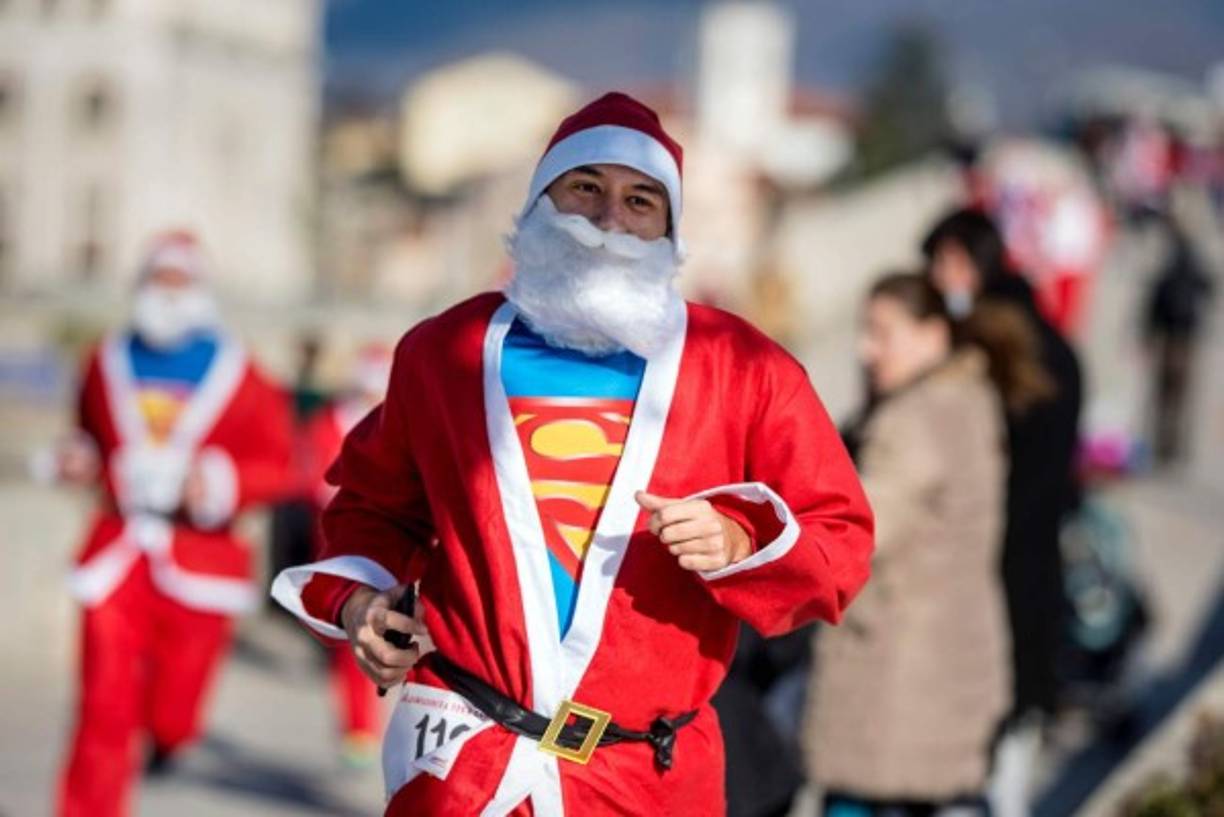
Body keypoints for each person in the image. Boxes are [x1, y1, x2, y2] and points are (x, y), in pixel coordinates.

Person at [272, 91, 875, 816]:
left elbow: (840, 541)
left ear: (669, 231)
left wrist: (740, 536)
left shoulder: (745, 367)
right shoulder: (445, 353)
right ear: (537, 205)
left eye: (640, 199)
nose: (608, 219)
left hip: (645, 781)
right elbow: (372, 505)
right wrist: (362, 600)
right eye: (585, 187)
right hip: (467, 764)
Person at [54, 231, 293, 817]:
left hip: (202, 556)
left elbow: (282, 465)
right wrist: (78, 457)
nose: (167, 292)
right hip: (118, 552)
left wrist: (216, 482)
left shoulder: (244, 374)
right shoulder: (103, 361)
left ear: (200, 289)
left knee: (176, 705)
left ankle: (169, 738)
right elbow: (88, 434)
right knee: (102, 703)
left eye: (179, 281)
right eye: (158, 279)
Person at [803, 272, 1014, 817]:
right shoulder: (972, 397)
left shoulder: (909, 422)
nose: (865, 350)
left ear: (932, 334)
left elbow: (852, 533)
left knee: (854, 800)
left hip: (891, 679)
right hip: (958, 659)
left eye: (881, 333)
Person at [922, 209, 1083, 817]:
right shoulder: (1053, 343)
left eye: (940, 264)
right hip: (1030, 583)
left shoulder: (985, 350)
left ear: (965, 263)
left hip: (978, 586)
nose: (935, 280)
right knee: (1006, 766)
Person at [297, 342, 395, 766]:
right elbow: (311, 478)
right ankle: (359, 727)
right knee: (356, 634)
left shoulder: (403, 421)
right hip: (346, 544)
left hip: (400, 543)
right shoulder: (330, 420)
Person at [1144, 221, 1215, 464]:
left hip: (1176, 335)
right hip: (1185, 336)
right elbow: (1209, 287)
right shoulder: (1193, 261)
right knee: (1178, 394)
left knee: (1168, 392)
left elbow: (1157, 298)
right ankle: (1171, 445)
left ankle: (1166, 444)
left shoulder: (1173, 262)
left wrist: (1149, 332)